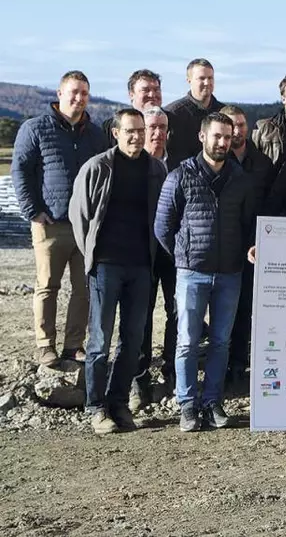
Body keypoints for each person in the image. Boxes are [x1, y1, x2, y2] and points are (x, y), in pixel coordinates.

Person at [155, 113, 258, 432]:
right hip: (191, 273)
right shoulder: (181, 175)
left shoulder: (240, 179)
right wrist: (184, 255)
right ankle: (188, 405)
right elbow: (163, 226)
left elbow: (248, 224)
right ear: (202, 137)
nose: (223, 142)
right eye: (217, 136)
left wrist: (250, 248)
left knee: (220, 342)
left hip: (230, 273)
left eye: (228, 137)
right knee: (186, 341)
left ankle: (213, 402)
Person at [69, 108, 165, 434]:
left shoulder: (157, 169)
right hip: (106, 266)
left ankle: (119, 402)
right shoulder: (97, 168)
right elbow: (79, 217)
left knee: (134, 339)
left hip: (141, 267)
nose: (137, 136)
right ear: (116, 132)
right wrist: (93, 258)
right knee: (99, 340)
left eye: (141, 130)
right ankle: (96, 408)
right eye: (130, 131)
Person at [11, 70, 107, 367]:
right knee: (47, 286)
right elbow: (20, 170)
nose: (79, 98)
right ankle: (45, 345)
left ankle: (73, 345)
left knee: (84, 289)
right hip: (49, 223)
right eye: (74, 92)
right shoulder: (35, 128)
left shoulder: (95, 133)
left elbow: (104, 174)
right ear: (60, 94)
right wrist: (32, 211)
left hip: (85, 226)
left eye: (85, 93)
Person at [219, 104, 274, 391]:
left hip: (255, 247)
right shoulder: (217, 162)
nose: (237, 130)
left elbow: (271, 205)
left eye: (241, 125)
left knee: (246, 309)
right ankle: (220, 365)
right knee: (221, 310)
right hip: (223, 245)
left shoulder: (263, 164)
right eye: (232, 125)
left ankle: (240, 365)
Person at [129, 106, 177, 412]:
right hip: (139, 253)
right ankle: (139, 379)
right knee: (140, 316)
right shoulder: (130, 166)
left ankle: (172, 372)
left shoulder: (180, 167)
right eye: (151, 127)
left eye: (162, 127)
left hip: (172, 253)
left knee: (177, 313)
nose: (157, 133)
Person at [165, 58, 224, 169]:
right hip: (184, 177)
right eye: (202, 78)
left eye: (210, 78)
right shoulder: (173, 113)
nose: (207, 83)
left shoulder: (223, 112)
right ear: (189, 80)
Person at [102, 69, 164, 146]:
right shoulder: (111, 127)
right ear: (131, 95)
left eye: (156, 90)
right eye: (145, 90)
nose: (152, 95)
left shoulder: (174, 124)